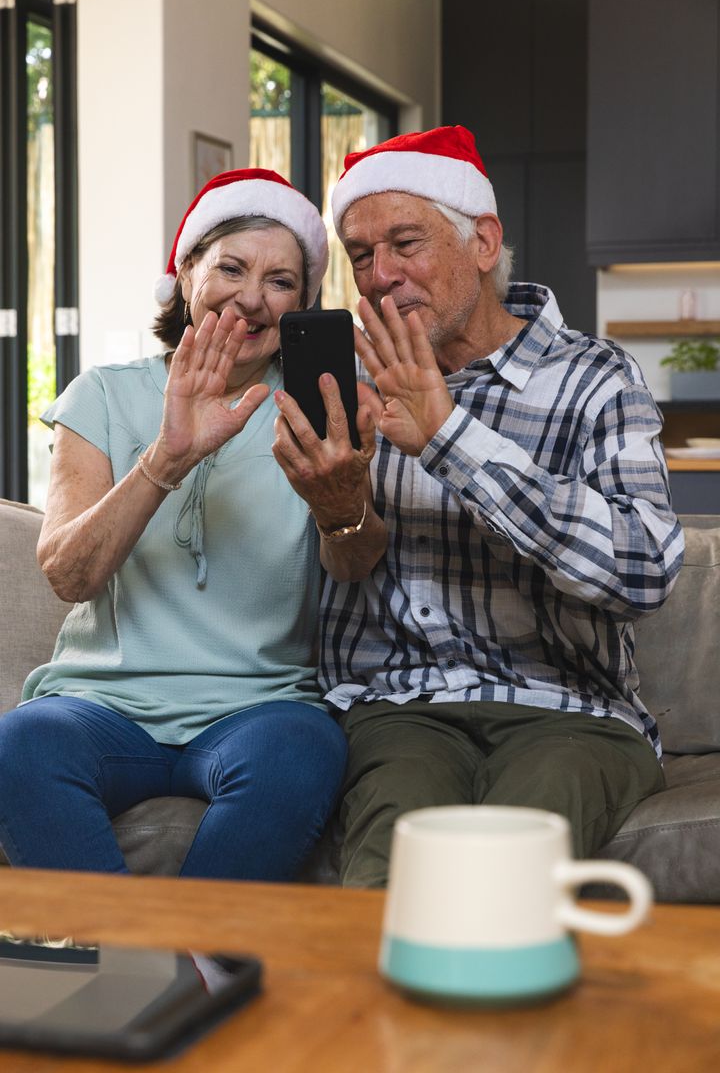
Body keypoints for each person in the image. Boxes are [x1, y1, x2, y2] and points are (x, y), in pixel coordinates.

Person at [272, 125, 685, 887]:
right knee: (390, 871)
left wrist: (450, 438)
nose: (380, 275)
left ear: (484, 242)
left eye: (405, 243)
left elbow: (645, 569)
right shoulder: (356, 386)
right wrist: (341, 507)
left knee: (507, 873)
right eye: (360, 256)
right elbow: (349, 562)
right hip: (400, 707)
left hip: (572, 713)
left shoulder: (595, 377)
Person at [0, 168, 348, 881]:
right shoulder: (105, 394)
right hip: (102, 704)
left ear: (302, 304)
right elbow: (68, 573)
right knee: (19, 745)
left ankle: (198, 970)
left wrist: (343, 492)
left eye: (281, 281)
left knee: (303, 751)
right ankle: (127, 973)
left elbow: (358, 564)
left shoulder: (324, 406)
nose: (253, 297)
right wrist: (167, 458)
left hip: (263, 707)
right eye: (231, 267)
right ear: (185, 273)